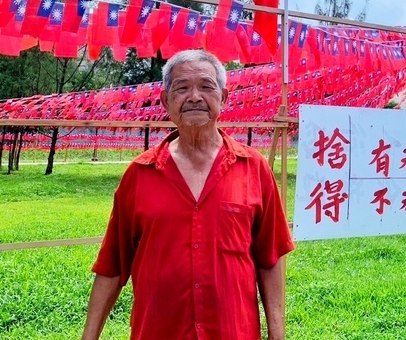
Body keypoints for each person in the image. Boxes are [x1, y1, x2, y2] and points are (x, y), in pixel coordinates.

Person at [82, 49, 295, 340]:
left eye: (206, 87)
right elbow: (112, 264)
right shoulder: (140, 174)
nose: (194, 97)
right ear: (166, 102)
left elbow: (269, 258)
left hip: (233, 332)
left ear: (224, 98)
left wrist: (278, 333)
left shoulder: (254, 169)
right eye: (182, 88)